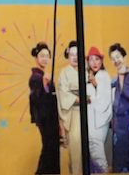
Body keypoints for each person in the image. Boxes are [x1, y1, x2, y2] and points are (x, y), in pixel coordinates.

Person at [28, 41, 60, 174]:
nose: (45, 58)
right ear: (36, 58)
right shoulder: (36, 77)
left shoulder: (44, 75)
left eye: (47, 55)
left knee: (51, 149)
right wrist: (46, 86)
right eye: (42, 55)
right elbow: (37, 99)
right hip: (45, 118)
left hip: (50, 118)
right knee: (49, 148)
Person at [56, 41, 86, 175]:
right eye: (72, 54)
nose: (75, 57)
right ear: (68, 55)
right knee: (75, 149)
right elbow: (63, 93)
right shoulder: (64, 73)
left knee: (87, 149)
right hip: (74, 115)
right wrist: (79, 99)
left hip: (88, 112)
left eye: (77, 54)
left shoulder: (86, 71)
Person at [108, 42, 129, 173]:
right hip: (116, 121)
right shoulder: (113, 80)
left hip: (127, 120)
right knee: (117, 151)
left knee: (127, 150)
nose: (116, 61)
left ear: (124, 56)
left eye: (118, 57)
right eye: (113, 59)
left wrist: (121, 77)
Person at [85, 46, 114, 173]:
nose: (94, 63)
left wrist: (95, 85)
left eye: (97, 59)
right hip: (91, 119)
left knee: (97, 151)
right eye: (91, 60)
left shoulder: (103, 76)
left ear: (101, 61)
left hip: (99, 121)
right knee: (93, 152)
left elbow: (104, 98)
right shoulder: (87, 76)